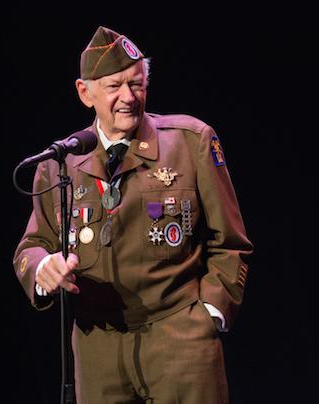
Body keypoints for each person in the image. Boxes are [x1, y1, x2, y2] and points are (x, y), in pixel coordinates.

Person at [13, 26, 253, 404]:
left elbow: (231, 242)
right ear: (84, 92)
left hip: (178, 339)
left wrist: (210, 313)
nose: (129, 97)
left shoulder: (190, 142)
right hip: (97, 350)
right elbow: (33, 246)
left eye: (137, 84)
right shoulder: (62, 164)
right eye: (114, 87)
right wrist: (42, 270)